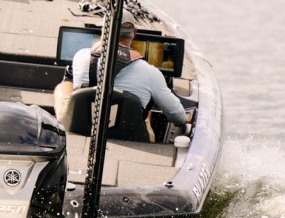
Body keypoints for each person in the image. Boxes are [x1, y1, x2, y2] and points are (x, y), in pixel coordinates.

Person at [53, 11, 187, 137]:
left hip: (81, 129)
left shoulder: (81, 56)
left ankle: (61, 121)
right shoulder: (151, 72)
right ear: (134, 33)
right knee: (147, 115)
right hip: (131, 139)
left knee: (63, 86)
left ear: (104, 30)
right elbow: (179, 117)